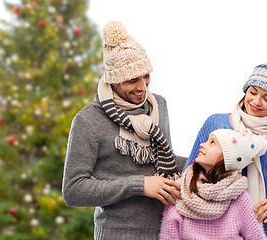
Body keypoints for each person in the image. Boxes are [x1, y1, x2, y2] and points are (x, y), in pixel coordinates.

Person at [62, 21, 186, 240]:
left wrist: (208, 158)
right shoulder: (87, 120)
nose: (143, 87)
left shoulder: (159, 105)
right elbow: (73, 191)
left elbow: (163, 160)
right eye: (132, 80)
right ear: (113, 80)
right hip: (117, 234)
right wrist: (139, 185)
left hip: (167, 230)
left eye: (146, 76)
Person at [182, 51, 267, 239]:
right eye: (253, 92)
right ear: (246, 90)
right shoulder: (215, 124)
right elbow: (190, 171)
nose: (256, 101)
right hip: (222, 229)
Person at [160, 129, 267, 240]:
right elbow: (168, 236)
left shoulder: (240, 198)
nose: (202, 144)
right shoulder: (181, 189)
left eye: (212, 142)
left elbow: (256, 237)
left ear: (228, 156)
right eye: (207, 141)